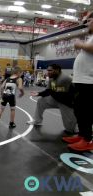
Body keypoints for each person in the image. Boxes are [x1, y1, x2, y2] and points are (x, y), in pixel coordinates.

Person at [62, 12, 93, 151]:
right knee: (79, 110)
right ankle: (82, 135)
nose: (87, 23)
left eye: (89, 20)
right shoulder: (90, 38)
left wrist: (80, 44)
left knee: (85, 112)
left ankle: (87, 140)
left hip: (89, 82)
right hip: (82, 80)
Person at [27, 64, 77, 135]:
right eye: (47, 70)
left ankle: (75, 126)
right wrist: (39, 93)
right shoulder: (51, 78)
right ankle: (37, 121)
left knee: (70, 129)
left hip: (67, 103)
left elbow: (61, 95)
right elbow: (49, 91)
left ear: (57, 70)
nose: (48, 72)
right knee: (41, 101)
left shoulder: (64, 79)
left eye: (50, 70)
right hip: (57, 99)